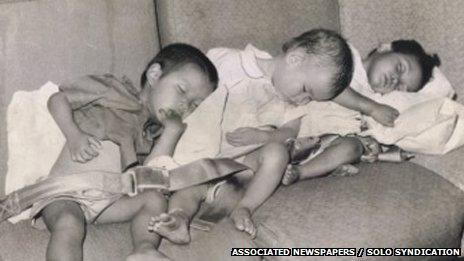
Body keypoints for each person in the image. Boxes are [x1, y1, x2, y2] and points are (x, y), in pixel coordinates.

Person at [147, 29, 401, 243]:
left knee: (277, 153)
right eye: (305, 90)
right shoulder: (230, 62)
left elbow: (287, 132)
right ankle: (179, 218)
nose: (303, 100)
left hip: (240, 165)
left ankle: (245, 206)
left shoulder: (289, 100)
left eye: (310, 98)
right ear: (294, 59)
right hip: (201, 155)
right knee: (194, 181)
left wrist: (263, 136)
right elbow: (194, 91)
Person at [33, 43, 218, 261]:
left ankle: (145, 249)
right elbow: (57, 99)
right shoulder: (112, 90)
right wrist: (74, 135)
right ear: (155, 74)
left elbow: (150, 175)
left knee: (154, 199)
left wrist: (171, 132)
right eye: (182, 90)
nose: (184, 105)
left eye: (194, 105)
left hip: (108, 203)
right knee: (69, 224)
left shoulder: (152, 133)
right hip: (66, 192)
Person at [281, 39, 442, 185]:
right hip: (293, 118)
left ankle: (301, 173)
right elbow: (331, 87)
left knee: (353, 148)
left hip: (317, 142)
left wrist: (372, 144)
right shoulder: (346, 57)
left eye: (400, 87)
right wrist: (371, 108)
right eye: (399, 68)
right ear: (384, 47)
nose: (394, 80)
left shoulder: (378, 99)